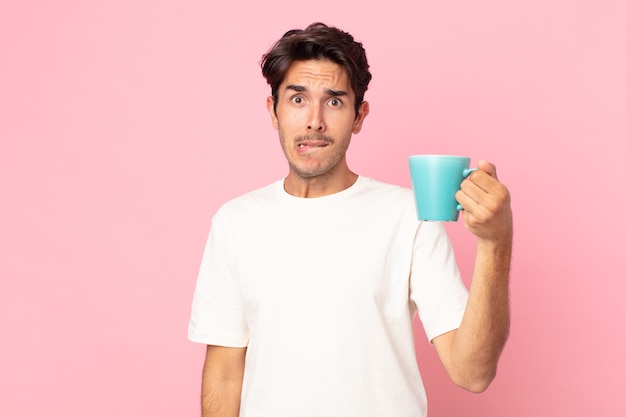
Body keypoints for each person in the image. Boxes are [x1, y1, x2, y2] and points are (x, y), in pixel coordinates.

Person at [188, 22, 512, 417]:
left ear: (359, 116)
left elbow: (472, 373)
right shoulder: (234, 223)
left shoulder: (409, 218)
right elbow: (224, 374)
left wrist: (495, 244)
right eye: (297, 100)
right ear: (273, 111)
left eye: (335, 102)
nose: (314, 121)